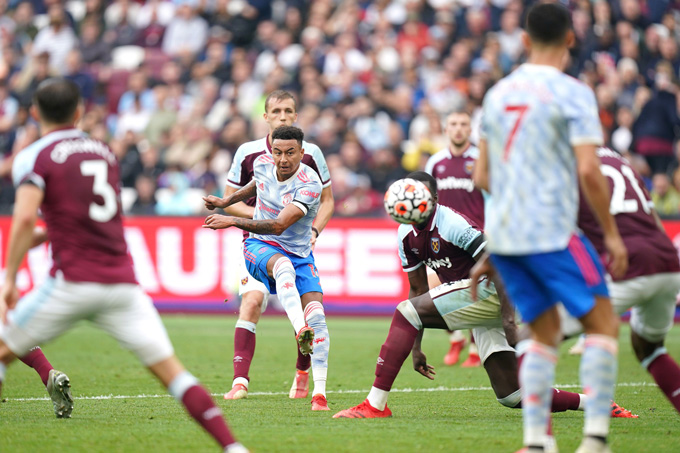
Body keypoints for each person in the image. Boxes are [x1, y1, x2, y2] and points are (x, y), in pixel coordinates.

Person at [0, 79, 246, 453]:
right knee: (175, 376)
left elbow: (21, 220)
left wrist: (10, 276)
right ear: (79, 112)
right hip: (122, 286)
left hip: (70, 283)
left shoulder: (33, 156)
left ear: (34, 114)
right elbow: (77, 218)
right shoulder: (103, 152)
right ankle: (234, 448)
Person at [332, 172, 632, 423]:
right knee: (512, 395)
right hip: (478, 300)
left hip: (496, 292)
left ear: (433, 198)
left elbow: (500, 266)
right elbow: (418, 291)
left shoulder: (453, 224)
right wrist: (416, 346)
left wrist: (509, 320)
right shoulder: (404, 235)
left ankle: (375, 405)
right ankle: (594, 402)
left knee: (404, 310)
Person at [471, 4, 628, 453]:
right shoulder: (573, 92)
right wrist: (612, 234)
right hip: (552, 231)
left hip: (507, 236)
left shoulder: (498, 94)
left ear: (523, 40)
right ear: (571, 39)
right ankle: (595, 439)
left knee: (540, 334)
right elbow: (590, 171)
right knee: (602, 325)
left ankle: (538, 442)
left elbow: (482, 176)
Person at [215, 90, 333, 402]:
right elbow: (231, 199)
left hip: (295, 244)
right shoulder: (248, 153)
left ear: (296, 116)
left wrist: (316, 230)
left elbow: (329, 201)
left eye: (288, 111)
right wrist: (262, 216)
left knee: (310, 310)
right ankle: (240, 381)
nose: (282, 116)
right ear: (265, 117)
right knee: (252, 302)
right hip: (257, 240)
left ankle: (302, 371)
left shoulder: (311, 155)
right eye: (276, 111)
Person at [559, 147, 680, 415]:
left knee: (535, 337)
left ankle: (542, 442)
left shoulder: (567, 161)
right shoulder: (617, 158)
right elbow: (651, 215)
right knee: (648, 347)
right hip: (666, 260)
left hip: (625, 262)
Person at [424, 109, 486, 367]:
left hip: (474, 238)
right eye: (453, 124)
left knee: (474, 291)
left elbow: (492, 196)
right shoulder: (436, 163)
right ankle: (455, 337)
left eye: (463, 124)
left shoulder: (480, 160)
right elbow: (427, 199)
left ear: (470, 129)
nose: (458, 128)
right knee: (434, 289)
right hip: (442, 238)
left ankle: (474, 348)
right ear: (446, 129)